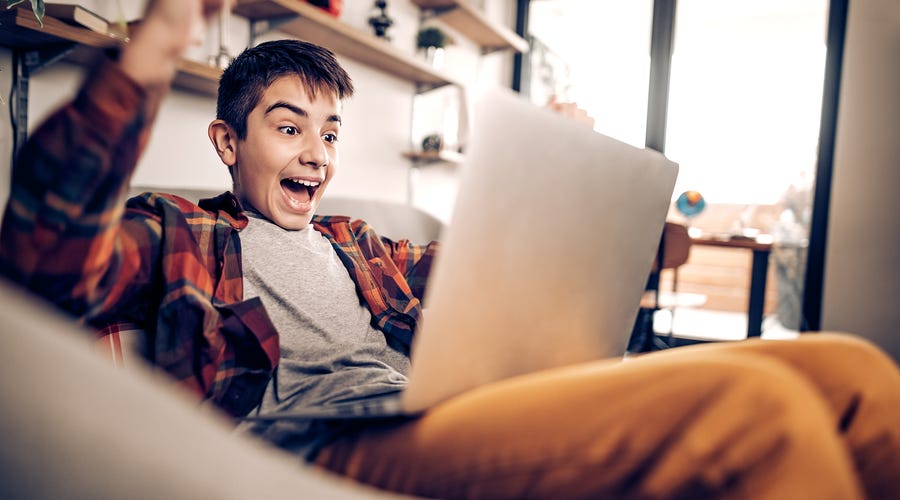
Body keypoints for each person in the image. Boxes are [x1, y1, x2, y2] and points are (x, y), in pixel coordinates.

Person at [1, 1, 898, 498]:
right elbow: (42, 266)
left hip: (426, 406)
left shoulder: (361, 244)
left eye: (329, 132)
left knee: (855, 376)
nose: (316, 153)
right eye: (287, 128)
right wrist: (149, 59)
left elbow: (505, 282)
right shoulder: (179, 234)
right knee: (754, 408)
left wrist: (563, 179)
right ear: (229, 145)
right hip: (314, 440)